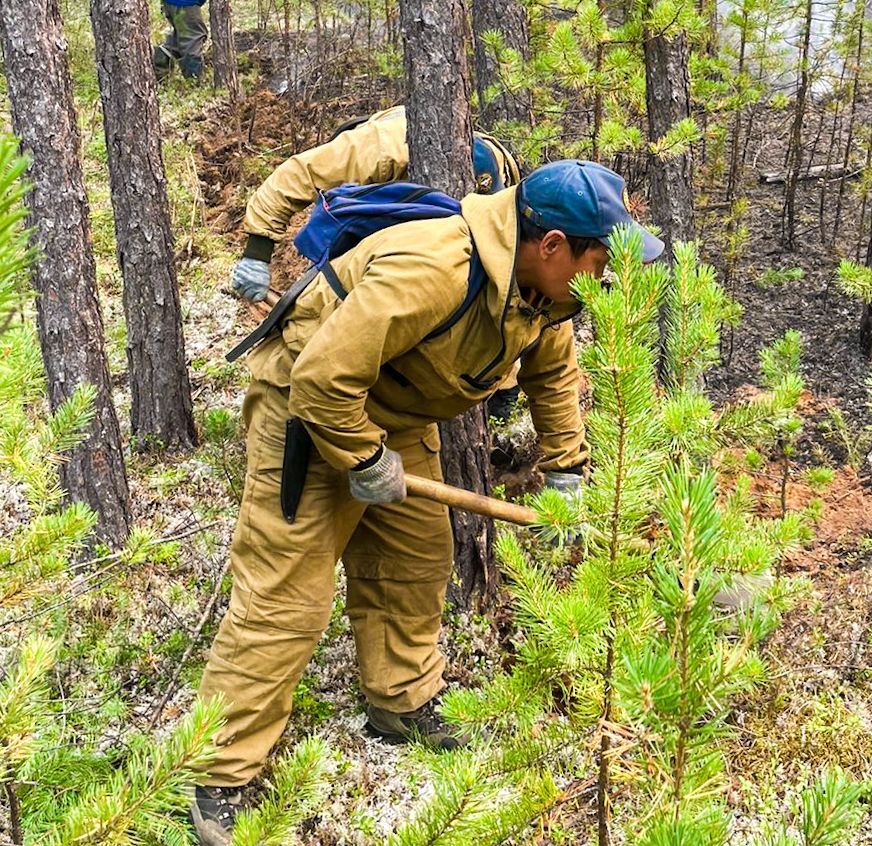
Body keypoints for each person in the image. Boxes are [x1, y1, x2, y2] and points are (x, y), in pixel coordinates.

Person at [190, 160, 663, 845]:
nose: (609, 276)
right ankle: (219, 773)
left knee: (415, 557)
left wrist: (567, 468)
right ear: (553, 244)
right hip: (309, 405)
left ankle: (400, 697)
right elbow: (324, 377)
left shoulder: (546, 291)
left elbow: (554, 371)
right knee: (286, 591)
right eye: (601, 257)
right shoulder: (436, 269)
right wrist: (361, 458)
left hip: (396, 414)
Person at [231, 104, 524, 419]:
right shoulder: (378, 157)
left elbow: (503, 281)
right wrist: (258, 255)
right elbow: (300, 176)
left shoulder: (383, 148)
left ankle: (502, 394)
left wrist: (506, 378)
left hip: (464, 221)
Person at [153, 0, 208, 81]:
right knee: (193, 40)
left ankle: (161, 65)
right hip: (185, 4)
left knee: (181, 36)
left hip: (173, 3)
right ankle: (193, 82)